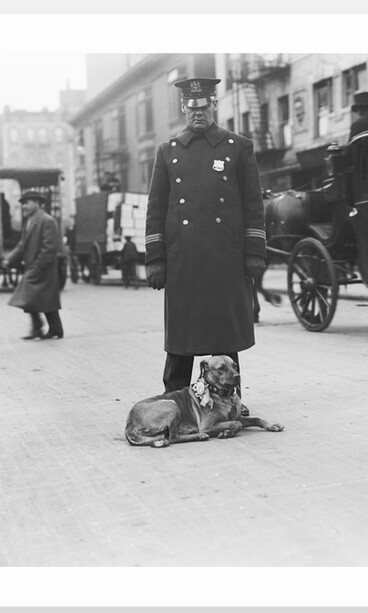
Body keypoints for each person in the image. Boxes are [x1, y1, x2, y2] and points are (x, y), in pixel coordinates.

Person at [145, 76, 266, 404]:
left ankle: (230, 400)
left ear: (214, 105)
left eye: (204, 107)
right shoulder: (168, 151)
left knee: (223, 335)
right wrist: (156, 257)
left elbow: (253, 204)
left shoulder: (238, 147)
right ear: (183, 108)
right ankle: (175, 399)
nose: (197, 114)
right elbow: (155, 209)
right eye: (191, 108)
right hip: (184, 258)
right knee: (181, 341)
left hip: (224, 258)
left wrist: (255, 251)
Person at [3, 188, 64, 340]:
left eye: (26, 203)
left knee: (30, 296)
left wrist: (38, 266)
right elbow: (22, 244)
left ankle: (41, 328)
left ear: (37, 203)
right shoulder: (30, 221)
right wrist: (9, 258)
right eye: (22, 203)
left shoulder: (47, 220)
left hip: (43, 268)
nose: (23, 206)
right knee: (42, 299)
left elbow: (49, 247)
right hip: (35, 267)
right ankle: (53, 328)